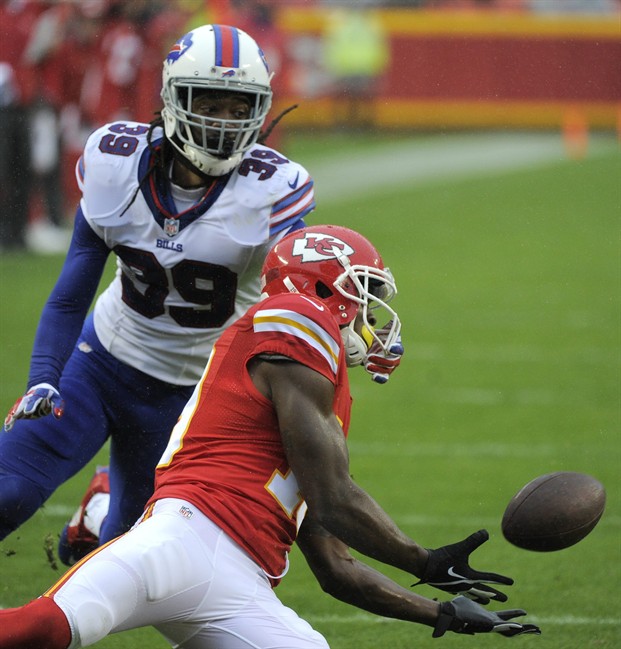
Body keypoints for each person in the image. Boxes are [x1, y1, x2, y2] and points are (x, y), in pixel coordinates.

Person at [0, 224, 540, 648]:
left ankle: (100, 513)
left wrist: (442, 613)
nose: (372, 315)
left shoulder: (321, 387)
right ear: (324, 286)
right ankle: (101, 511)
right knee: (37, 632)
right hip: (182, 540)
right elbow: (334, 500)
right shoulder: (293, 317)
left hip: (243, 586)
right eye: (364, 294)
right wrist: (425, 563)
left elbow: (336, 568)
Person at [0, 24, 333, 565]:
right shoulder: (117, 163)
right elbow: (70, 294)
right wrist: (43, 376)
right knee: (8, 493)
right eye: (211, 102)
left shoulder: (273, 189)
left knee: (123, 558)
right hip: (102, 362)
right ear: (175, 97)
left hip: (192, 395)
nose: (224, 121)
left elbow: (293, 293)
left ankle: (97, 513)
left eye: (238, 106)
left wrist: (337, 326)